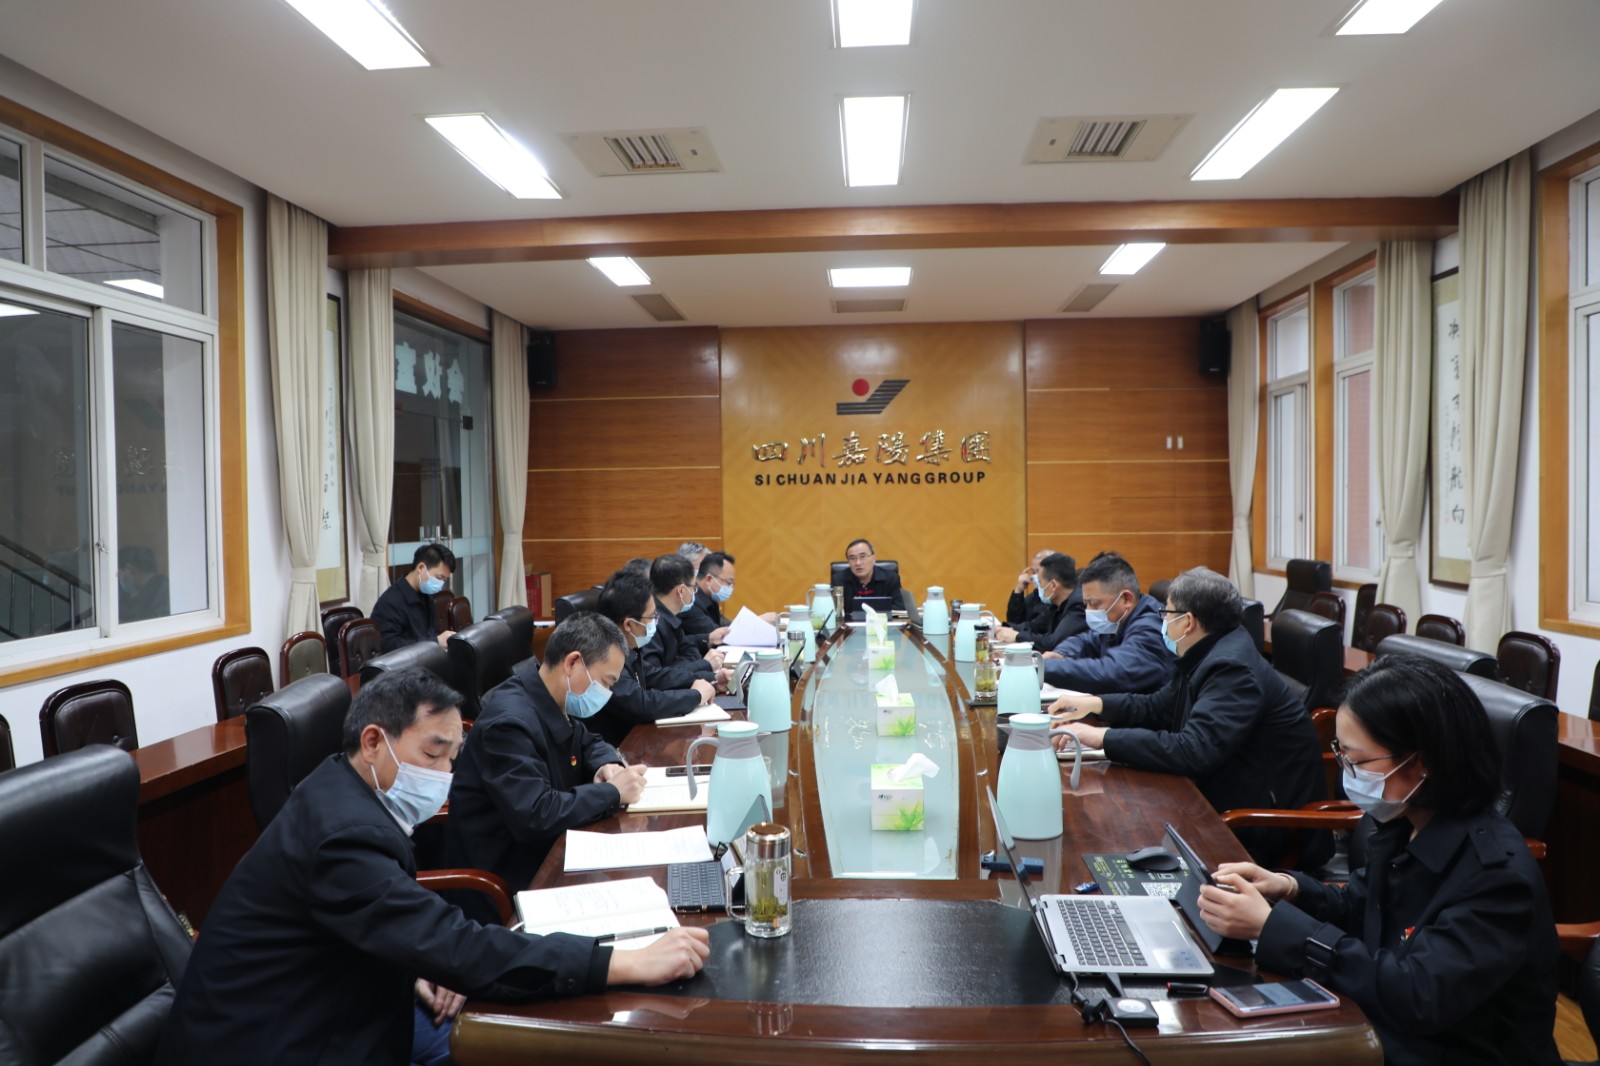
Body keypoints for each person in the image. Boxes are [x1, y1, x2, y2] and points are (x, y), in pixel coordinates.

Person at [155, 668, 709, 1066]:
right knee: (537, 1044)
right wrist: (623, 962)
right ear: (374, 741)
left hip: (336, 996)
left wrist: (413, 958)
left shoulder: (339, 787)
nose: (445, 773)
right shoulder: (343, 837)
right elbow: (457, 946)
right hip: (285, 1041)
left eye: (452, 757)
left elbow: (382, 920)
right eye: (432, 754)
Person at [1196, 655, 1560, 1065]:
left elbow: (1419, 994)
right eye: (1342, 756)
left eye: (1359, 761)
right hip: (1392, 1030)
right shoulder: (1408, 823)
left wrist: (1272, 926)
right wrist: (1290, 889)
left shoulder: (1497, 876)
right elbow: (1362, 905)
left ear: (1423, 762)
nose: (1348, 774)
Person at [1050, 566, 1326, 867]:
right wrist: (1095, 704)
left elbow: (1194, 750)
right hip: (1220, 792)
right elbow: (1158, 706)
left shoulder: (1231, 668)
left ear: (1188, 621)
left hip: (1261, 826)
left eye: (1166, 613)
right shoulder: (1206, 650)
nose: (1162, 621)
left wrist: (1102, 737)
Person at [442, 612, 650, 913]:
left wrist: (608, 765)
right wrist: (612, 792)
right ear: (573, 662)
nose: (607, 693)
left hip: (547, 852)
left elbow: (588, 740)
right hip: (507, 881)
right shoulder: (508, 724)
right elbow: (536, 813)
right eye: (606, 682)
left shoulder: (547, 694)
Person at [588, 567, 715, 746]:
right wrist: (695, 695)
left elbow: (655, 676)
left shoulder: (627, 646)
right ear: (629, 625)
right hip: (616, 748)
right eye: (652, 616)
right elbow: (643, 705)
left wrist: (709, 678)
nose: (656, 621)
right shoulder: (602, 656)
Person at [1039, 551, 1173, 695]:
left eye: (1094, 604)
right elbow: (1086, 640)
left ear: (1126, 599)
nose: (1088, 611)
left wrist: (1044, 668)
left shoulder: (1151, 627)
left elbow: (1113, 672)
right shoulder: (1117, 621)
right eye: (1086, 604)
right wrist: (1061, 654)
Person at [639, 553, 728, 692]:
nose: (694, 592)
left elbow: (691, 652)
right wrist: (703, 665)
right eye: (693, 587)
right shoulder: (651, 624)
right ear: (681, 590)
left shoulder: (671, 617)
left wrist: (713, 677)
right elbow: (654, 679)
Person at [372, 542, 456, 653]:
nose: (440, 584)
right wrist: (435, 642)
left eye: (444, 580)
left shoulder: (426, 597)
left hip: (428, 658)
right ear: (421, 568)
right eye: (439, 577)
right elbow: (389, 646)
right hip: (406, 662)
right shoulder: (389, 603)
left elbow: (432, 633)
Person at [994, 552, 1087, 649]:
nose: (1039, 586)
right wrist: (1000, 628)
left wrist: (1017, 636)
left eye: (1040, 581)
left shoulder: (1079, 605)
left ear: (1053, 585)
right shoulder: (1055, 604)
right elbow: (1033, 627)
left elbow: (1053, 642)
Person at [833, 537, 902, 619]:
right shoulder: (839, 580)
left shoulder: (891, 578)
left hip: (883, 625)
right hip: (851, 626)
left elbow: (900, 613)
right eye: (852, 558)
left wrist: (873, 617)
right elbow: (834, 613)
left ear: (873, 559)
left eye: (863, 556)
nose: (858, 563)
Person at [682, 550, 736, 650]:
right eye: (728, 583)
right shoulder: (690, 601)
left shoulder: (710, 598)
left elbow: (725, 625)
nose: (730, 588)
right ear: (709, 579)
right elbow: (719, 636)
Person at [1004, 548, 1057, 629]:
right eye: (1033, 572)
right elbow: (1013, 623)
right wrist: (1018, 591)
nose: (1035, 576)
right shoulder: (1033, 597)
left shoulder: (1058, 599)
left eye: (1038, 571)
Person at [117, 544, 170, 621]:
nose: (119, 579)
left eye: (119, 574)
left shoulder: (151, 599)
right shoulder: (164, 587)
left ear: (129, 569)